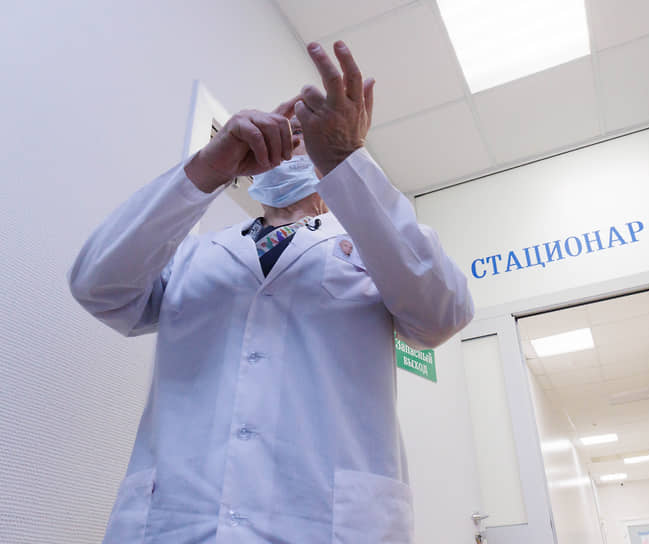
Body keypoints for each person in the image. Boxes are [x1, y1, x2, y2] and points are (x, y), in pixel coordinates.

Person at [68, 40, 473, 543]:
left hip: (324, 526)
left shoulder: (378, 246)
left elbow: (443, 315)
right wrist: (207, 170)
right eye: (288, 132)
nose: (294, 141)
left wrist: (346, 159)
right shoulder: (198, 254)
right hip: (177, 523)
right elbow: (97, 286)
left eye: (312, 136)